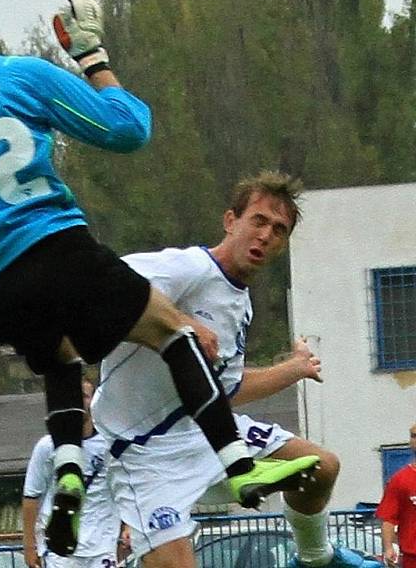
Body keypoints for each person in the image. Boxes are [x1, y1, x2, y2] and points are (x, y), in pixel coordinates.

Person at [0, 0, 314, 555]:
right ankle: (238, 464)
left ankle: (67, 469)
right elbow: (128, 128)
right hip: (49, 245)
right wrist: (92, 56)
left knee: (60, 354)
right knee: (173, 331)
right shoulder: (17, 76)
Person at [92, 171, 375, 568]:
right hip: (145, 453)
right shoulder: (190, 268)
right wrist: (180, 323)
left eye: (279, 229)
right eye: (258, 221)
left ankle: (315, 559)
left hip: (204, 431)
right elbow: (102, 283)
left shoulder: (240, 303)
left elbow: (227, 389)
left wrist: (293, 369)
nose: (265, 235)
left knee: (320, 468)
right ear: (231, 221)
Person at [22, 375, 121, 568]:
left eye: (84, 396)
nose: (79, 401)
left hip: (102, 547)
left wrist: (127, 527)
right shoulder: (47, 446)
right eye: (74, 396)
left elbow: (122, 489)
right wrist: (29, 545)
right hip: (60, 550)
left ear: (94, 401)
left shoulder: (110, 445)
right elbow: (30, 498)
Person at [376, 423, 416, 568]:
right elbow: (389, 518)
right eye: (413, 436)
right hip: (412, 558)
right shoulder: (400, 480)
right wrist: (388, 547)